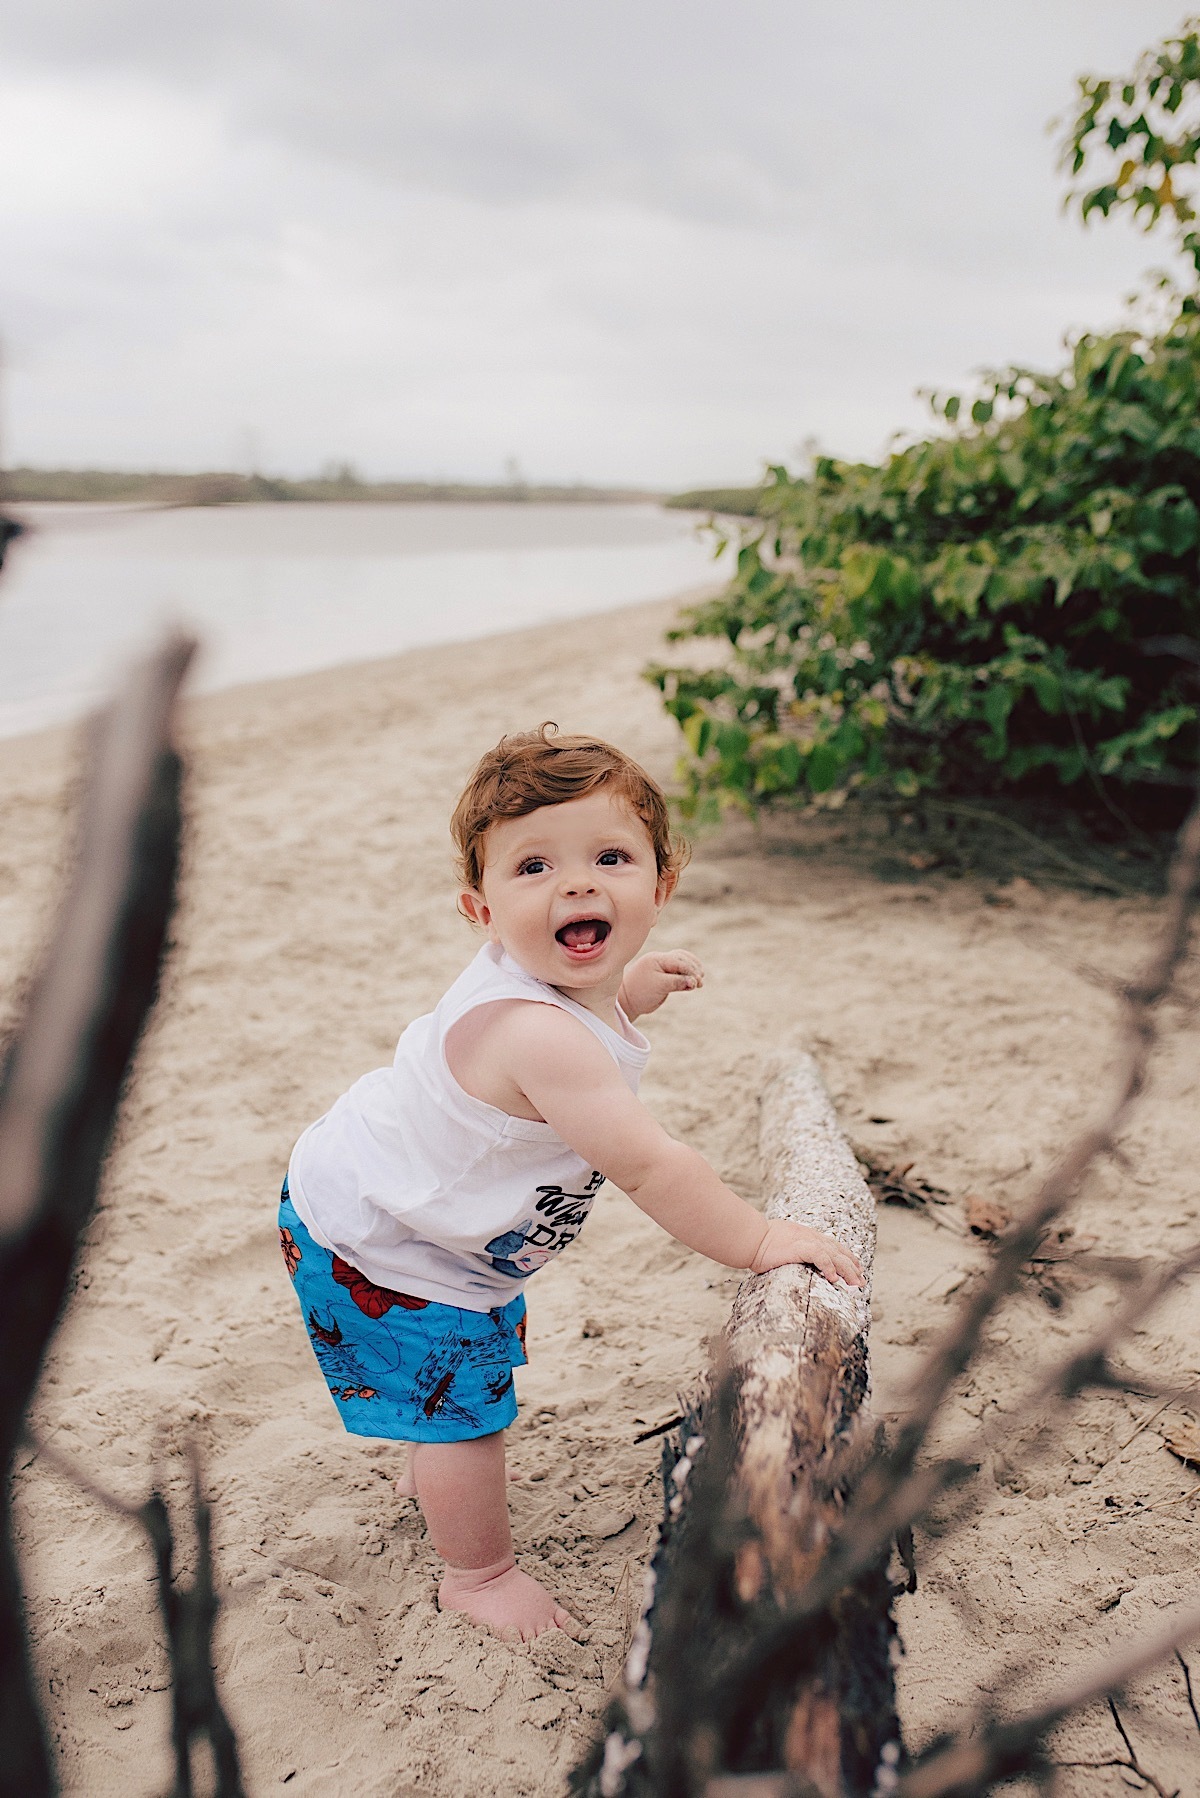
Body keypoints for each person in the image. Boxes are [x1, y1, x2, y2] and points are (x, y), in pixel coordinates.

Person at [280, 725, 863, 1642]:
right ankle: (477, 1574)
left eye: (610, 857)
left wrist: (625, 992)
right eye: (534, 868)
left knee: (457, 1380)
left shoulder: (560, 998)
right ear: (480, 910)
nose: (578, 884)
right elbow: (651, 1165)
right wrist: (756, 1241)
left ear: (660, 887)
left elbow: (573, 1016)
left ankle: (429, 1455)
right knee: (464, 1420)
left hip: (414, 1213)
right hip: (384, 1243)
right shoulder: (538, 1036)